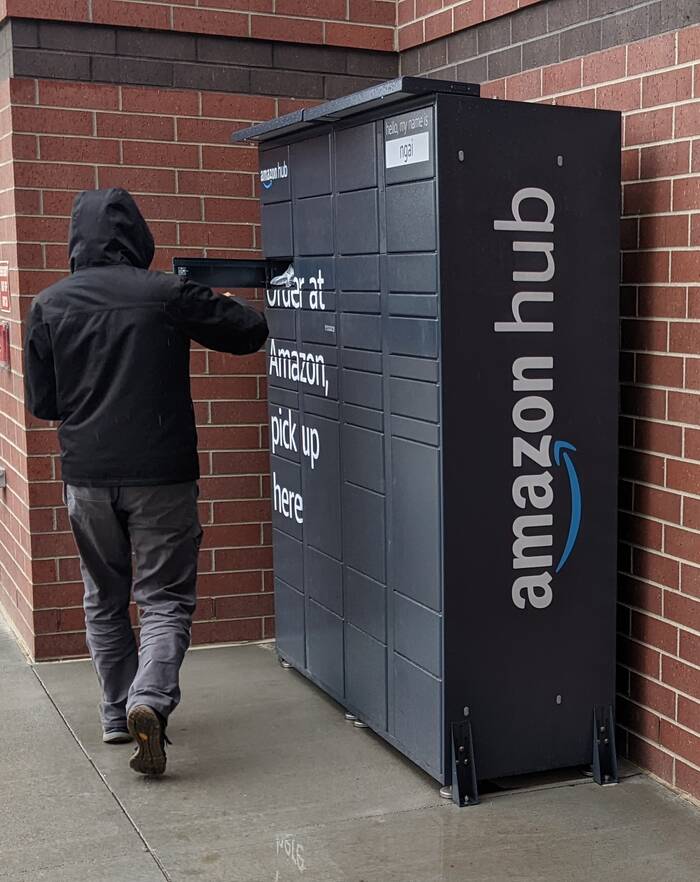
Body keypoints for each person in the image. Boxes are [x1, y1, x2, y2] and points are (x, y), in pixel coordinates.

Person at [24, 188, 268, 776]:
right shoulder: (165, 292)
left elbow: (43, 404)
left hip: (87, 477)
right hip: (162, 475)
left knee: (103, 597)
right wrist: (224, 300)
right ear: (136, 234)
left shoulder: (48, 305)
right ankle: (150, 700)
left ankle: (117, 713)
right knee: (164, 599)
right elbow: (248, 332)